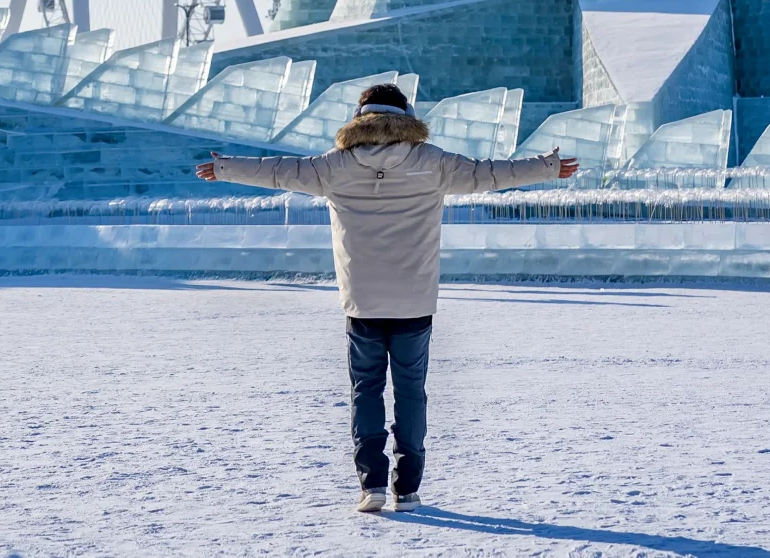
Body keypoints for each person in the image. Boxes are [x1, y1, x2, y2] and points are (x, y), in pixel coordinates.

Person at [196, 81, 578, 514]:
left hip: (362, 302)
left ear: (360, 119)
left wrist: (226, 168)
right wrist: (546, 168)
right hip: (414, 300)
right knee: (412, 392)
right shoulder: (432, 162)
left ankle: (373, 486)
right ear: (407, 119)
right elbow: (490, 174)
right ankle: (409, 489)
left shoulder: (334, 167)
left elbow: (279, 171)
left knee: (366, 391)